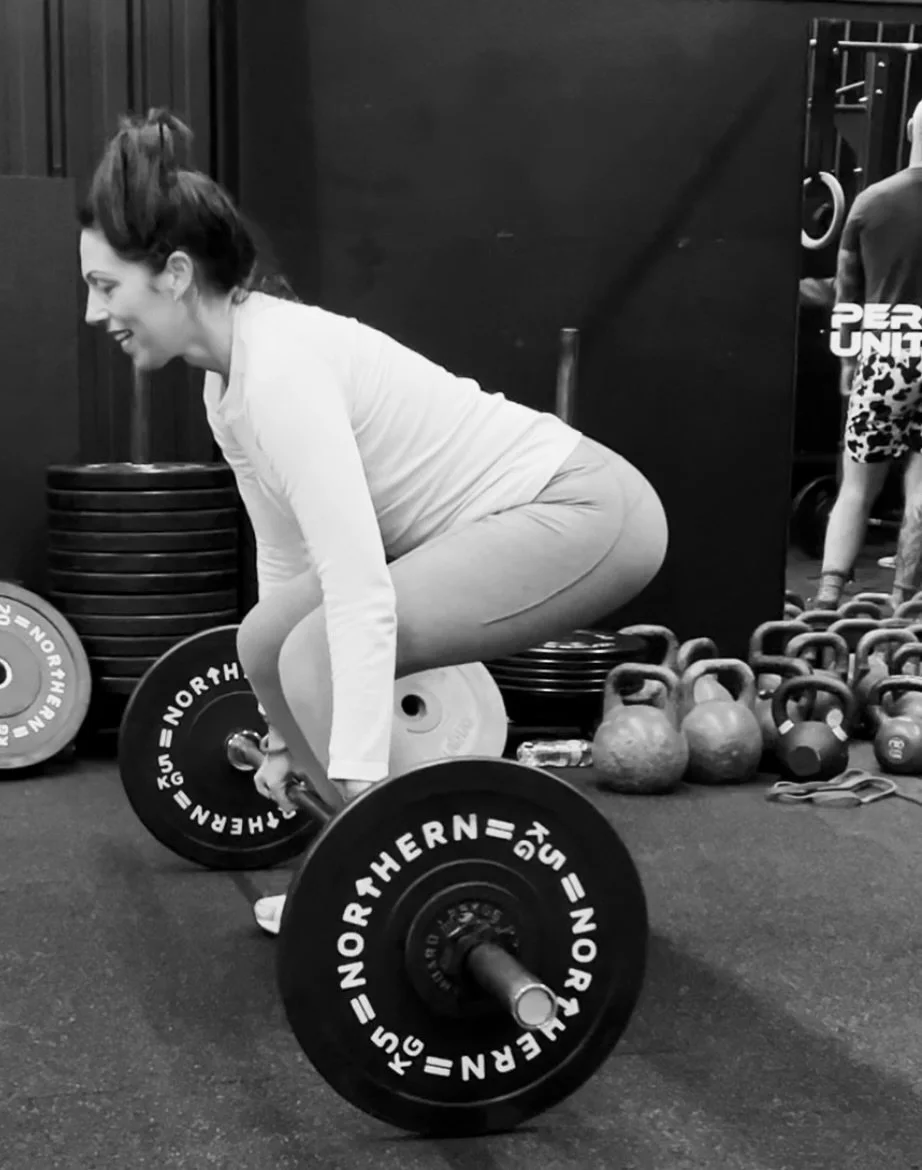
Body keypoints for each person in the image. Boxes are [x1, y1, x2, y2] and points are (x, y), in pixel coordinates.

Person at [79, 109, 669, 935]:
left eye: (106, 287)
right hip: (509, 519)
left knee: (325, 655)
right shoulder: (228, 385)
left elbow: (357, 591)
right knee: (263, 641)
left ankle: (399, 888)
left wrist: (353, 775)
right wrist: (287, 732)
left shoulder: (281, 372)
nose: (92, 312)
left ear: (175, 274)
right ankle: (353, 873)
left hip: (584, 511)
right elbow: (292, 572)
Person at [812, 101, 922, 612]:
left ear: (908, 129)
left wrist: (847, 366)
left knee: (856, 487)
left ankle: (829, 598)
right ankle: (903, 609)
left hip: (885, 355)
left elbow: (847, 295)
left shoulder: (871, 201)